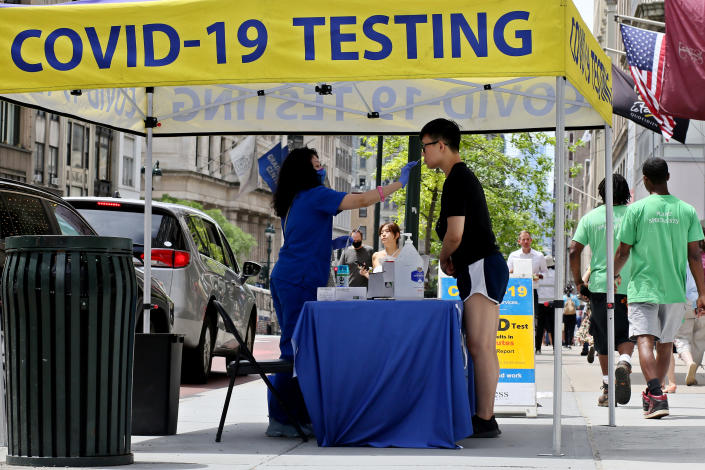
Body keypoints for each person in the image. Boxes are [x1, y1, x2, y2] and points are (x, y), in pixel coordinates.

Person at [267, 147, 418, 436]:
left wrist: (332, 244)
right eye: (317, 165)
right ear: (306, 171)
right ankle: (283, 419)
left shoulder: (296, 200)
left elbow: (307, 236)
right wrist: (398, 184)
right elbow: (360, 199)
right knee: (294, 350)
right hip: (298, 279)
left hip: (289, 277)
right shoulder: (316, 196)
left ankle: (294, 415)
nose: (322, 168)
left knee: (296, 347)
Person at [421, 118, 509, 438]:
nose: (423, 153)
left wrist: (444, 257)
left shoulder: (457, 178)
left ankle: (485, 418)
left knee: (481, 345)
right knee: (481, 345)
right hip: (480, 266)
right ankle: (484, 415)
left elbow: (455, 235)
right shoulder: (459, 177)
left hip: (480, 265)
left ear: (441, 145)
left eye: (425, 146)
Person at [614, 158, 705, 419]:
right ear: (668, 176)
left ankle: (655, 393)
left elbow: (623, 250)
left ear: (645, 179)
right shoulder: (687, 210)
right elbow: (695, 256)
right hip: (675, 290)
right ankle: (657, 393)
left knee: (644, 338)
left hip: (644, 286)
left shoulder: (637, 210)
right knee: (665, 343)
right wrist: (702, 293)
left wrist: (614, 275)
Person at [569, 174, 635, 407]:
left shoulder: (591, 218)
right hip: (631, 285)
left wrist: (579, 282)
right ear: (626, 192)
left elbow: (574, 251)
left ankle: (608, 389)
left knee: (603, 338)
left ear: (601, 193)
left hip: (598, 286)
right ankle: (625, 362)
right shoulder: (634, 215)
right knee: (628, 332)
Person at [673, 223, 705, 387]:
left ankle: (689, 363)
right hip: (704, 302)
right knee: (700, 339)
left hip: (686, 300)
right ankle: (695, 367)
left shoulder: (687, 255)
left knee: (681, 337)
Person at [508, 231, 549, 353]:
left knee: (534, 320)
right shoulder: (513, 255)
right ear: (519, 241)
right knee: (517, 319)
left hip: (532, 291)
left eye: (528, 239)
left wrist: (538, 276)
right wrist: (513, 272)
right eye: (523, 239)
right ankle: (518, 346)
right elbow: (507, 272)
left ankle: (537, 347)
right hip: (517, 292)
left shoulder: (539, 256)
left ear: (531, 240)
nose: (525, 242)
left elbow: (546, 273)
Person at [536, 255, 556, 353]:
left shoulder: (538, 274)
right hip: (552, 303)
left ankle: (538, 348)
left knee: (540, 327)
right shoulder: (556, 274)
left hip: (541, 303)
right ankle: (555, 348)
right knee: (553, 327)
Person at [562, 284, 578, 349]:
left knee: (565, 329)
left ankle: (565, 343)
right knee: (571, 329)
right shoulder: (574, 297)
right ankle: (569, 344)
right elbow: (578, 305)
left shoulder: (563, 297)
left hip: (565, 315)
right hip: (573, 315)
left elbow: (562, 306)